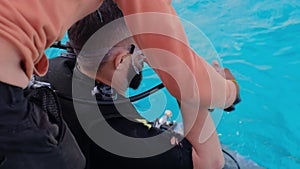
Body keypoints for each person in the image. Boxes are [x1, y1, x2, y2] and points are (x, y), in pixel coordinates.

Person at [0, 0, 240, 168]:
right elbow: (210, 162)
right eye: (143, 48)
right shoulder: (131, 139)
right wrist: (227, 90)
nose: (147, 56)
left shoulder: (45, 74)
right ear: (122, 59)